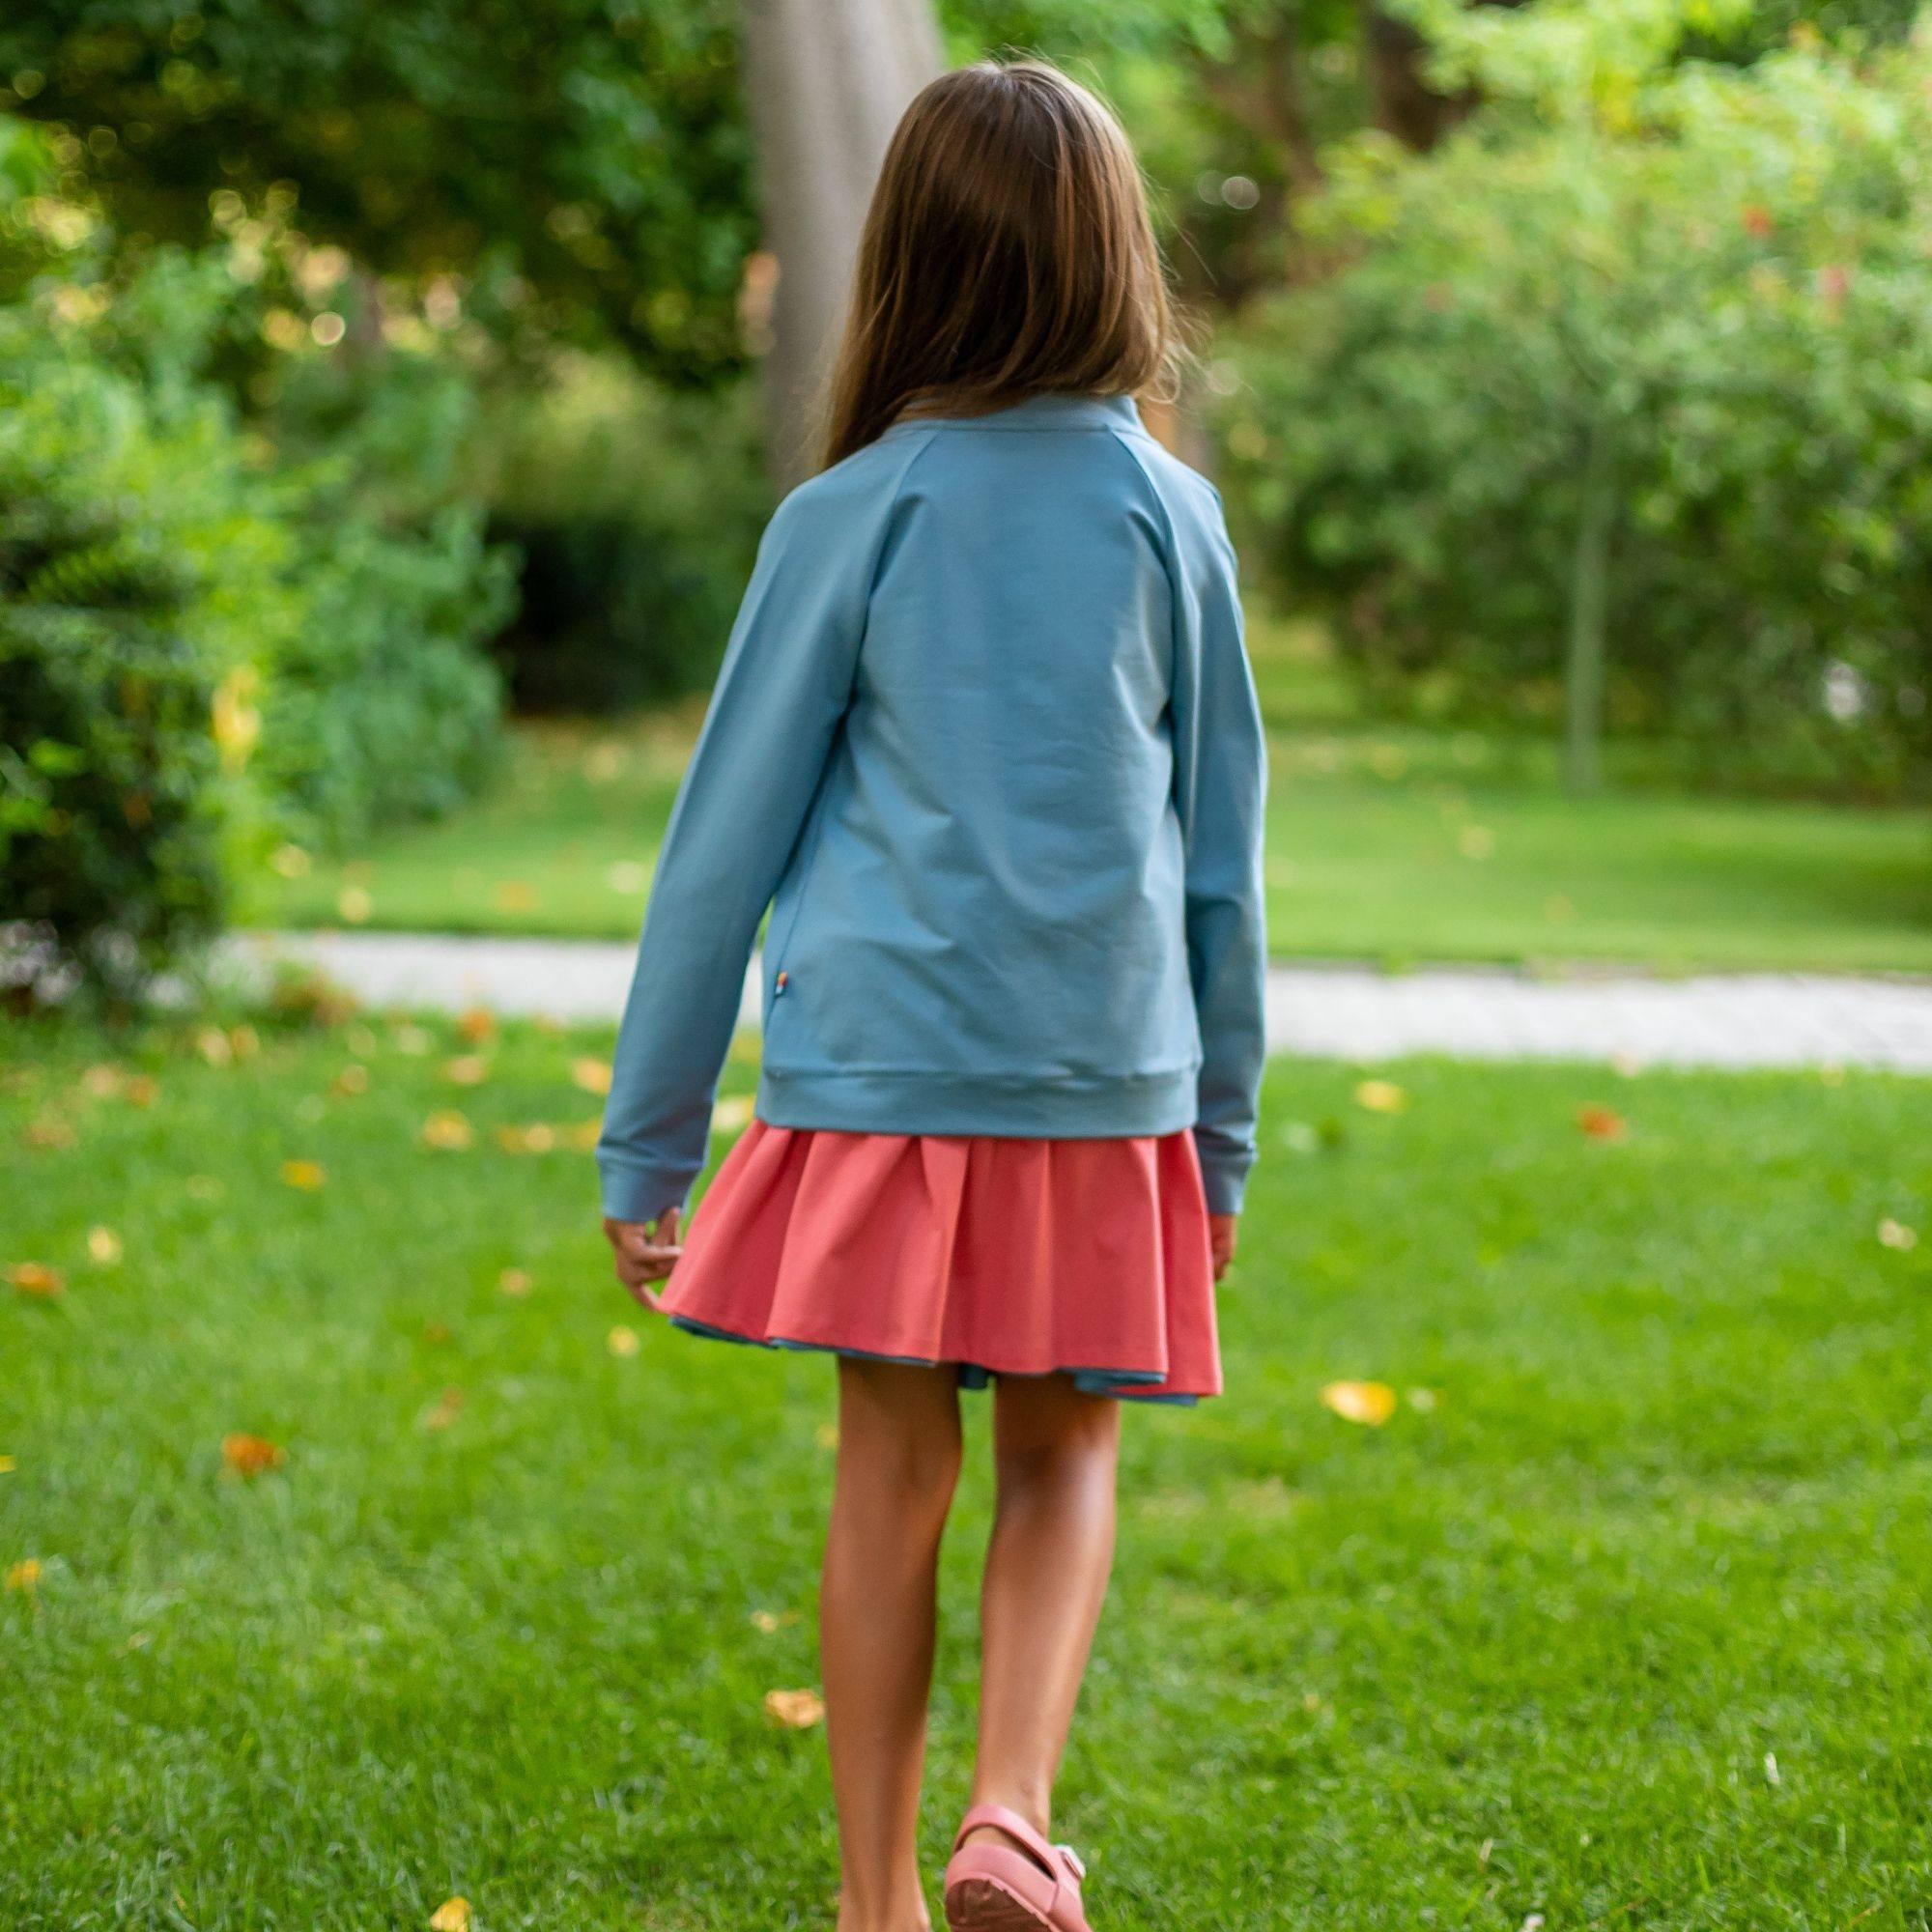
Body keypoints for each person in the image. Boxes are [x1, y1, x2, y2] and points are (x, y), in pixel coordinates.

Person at [597, 57, 1266, 1932]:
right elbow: (1221, 865)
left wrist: (648, 1142)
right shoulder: (1169, 517)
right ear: (1116, 258)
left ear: (905, 262)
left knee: (890, 1459)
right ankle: (1009, 1814)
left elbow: (713, 853)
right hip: (1101, 1070)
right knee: (1065, 1449)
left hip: (876, 1070)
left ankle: (878, 1901)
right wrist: (1217, 1141)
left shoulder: (848, 514)